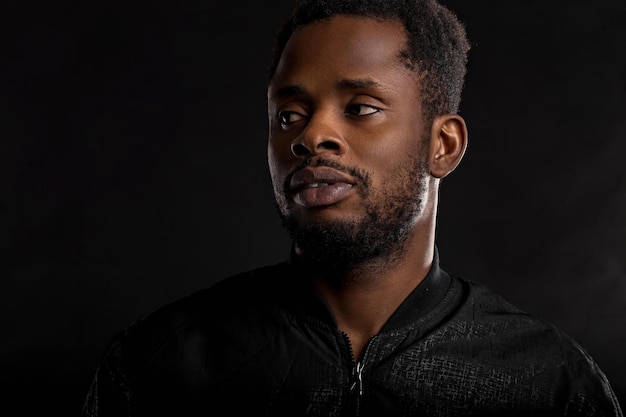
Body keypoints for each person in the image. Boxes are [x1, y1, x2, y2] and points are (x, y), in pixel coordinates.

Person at [81, 0, 623, 415]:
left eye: (360, 108)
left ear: (444, 146)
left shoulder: (547, 381)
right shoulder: (161, 363)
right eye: (289, 115)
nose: (312, 135)